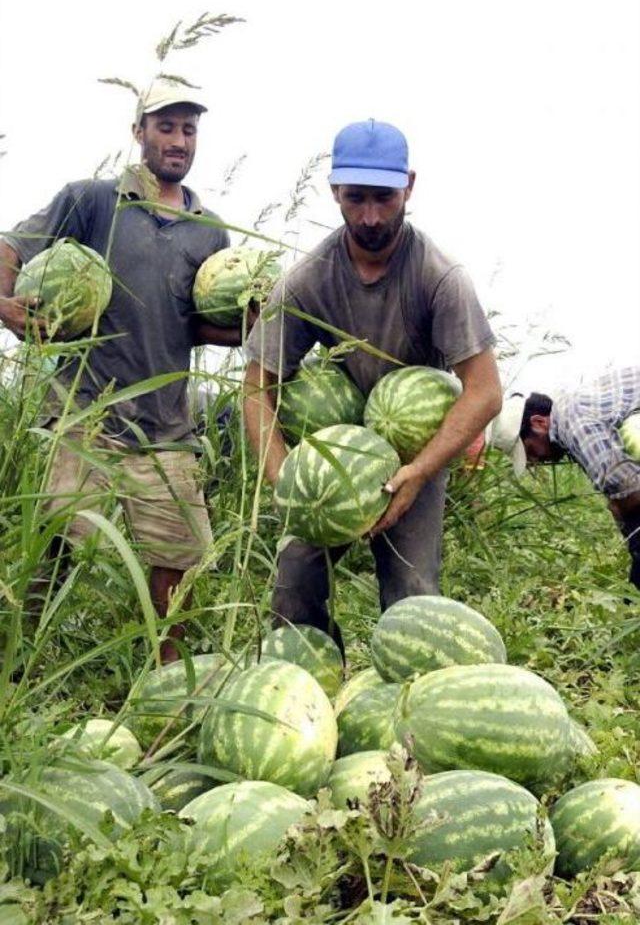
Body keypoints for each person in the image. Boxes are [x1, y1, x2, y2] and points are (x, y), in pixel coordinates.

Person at [0, 78, 242, 661]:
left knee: (178, 560)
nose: (178, 140)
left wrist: (248, 326)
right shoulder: (93, 201)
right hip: (84, 412)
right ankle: (15, 664)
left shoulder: (210, 232)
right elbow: (11, 248)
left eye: (188, 129)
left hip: (164, 424)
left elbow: (201, 324)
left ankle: (166, 677)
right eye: (166, 127)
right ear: (140, 133)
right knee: (53, 545)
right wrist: (6, 306)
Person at [243, 119, 502, 650]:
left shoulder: (439, 276)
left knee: (412, 595)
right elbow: (256, 386)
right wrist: (283, 478)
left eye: (383, 198)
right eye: (355, 197)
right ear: (334, 189)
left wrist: (419, 471)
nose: (369, 216)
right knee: (292, 587)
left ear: (409, 185)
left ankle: (406, 713)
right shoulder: (308, 278)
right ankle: (309, 693)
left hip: (416, 456)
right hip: (335, 456)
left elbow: (485, 392)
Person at [488, 366, 640, 589]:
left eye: (529, 450)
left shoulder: (572, 421)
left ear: (539, 423)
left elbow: (627, 487)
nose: (534, 461)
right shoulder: (572, 411)